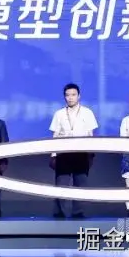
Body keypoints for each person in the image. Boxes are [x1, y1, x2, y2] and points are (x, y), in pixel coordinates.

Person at [48, 83, 98, 219]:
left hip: (81, 153)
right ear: (64, 97)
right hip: (63, 153)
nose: (70, 98)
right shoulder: (59, 114)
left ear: (79, 96)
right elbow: (55, 136)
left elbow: (90, 135)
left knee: (80, 184)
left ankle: (78, 212)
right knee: (61, 184)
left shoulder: (87, 112)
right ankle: (59, 212)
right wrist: (53, 155)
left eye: (73, 95)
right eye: (67, 95)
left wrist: (91, 155)